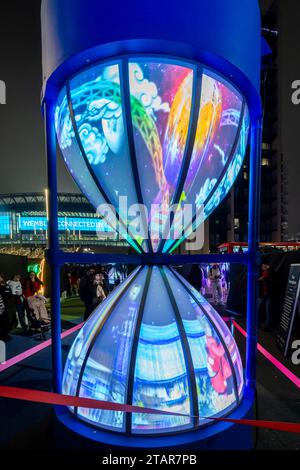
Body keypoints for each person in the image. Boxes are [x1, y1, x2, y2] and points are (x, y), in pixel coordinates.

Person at [258, 263, 273, 331]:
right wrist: (260, 278)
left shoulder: (271, 273)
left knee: (268, 311)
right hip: (261, 294)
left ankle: (267, 326)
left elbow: (272, 282)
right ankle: (257, 324)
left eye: (265, 265)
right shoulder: (259, 272)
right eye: (263, 265)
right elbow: (256, 280)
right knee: (258, 309)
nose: (264, 267)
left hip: (268, 294)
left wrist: (264, 277)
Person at [0, 274, 11, 341]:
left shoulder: (5, 285)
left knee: (5, 322)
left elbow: (10, 295)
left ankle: (4, 335)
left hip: (3, 309)